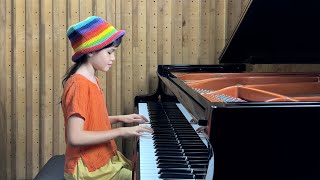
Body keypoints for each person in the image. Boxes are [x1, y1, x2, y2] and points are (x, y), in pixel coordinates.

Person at [61, 16, 153, 180]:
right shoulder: (78, 85)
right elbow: (75, 137)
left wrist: (120, 118)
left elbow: (91, 121)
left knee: (144, 171)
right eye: (110, 52)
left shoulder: (92, 79)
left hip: (102, 159)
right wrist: (121, 131)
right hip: (87, 168)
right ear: (90, 51)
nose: (113, 58)